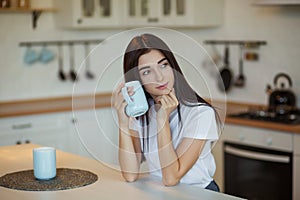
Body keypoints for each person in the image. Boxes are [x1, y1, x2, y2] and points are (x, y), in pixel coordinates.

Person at [113, 33, 220, 192]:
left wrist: (162, 120)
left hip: (200, 193)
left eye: (163, 65)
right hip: (162, 193)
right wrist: (122, 121)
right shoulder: (142, 114)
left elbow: (171, 177)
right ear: (137, 80)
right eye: (147, 72)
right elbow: (130, 174)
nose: (160, 76)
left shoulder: (201, 114)